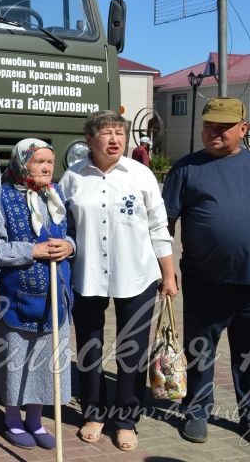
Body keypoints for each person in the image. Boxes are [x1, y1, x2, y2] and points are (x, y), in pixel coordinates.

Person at [161, 97, 250, 448]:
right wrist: (164, 270)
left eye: (223, 127)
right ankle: (196, 412)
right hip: (205, 281)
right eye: (209, 126)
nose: (214, 133)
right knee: (200, 351)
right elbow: (165, 223)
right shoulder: (186, 168)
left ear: (243, 128)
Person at [59, 110, 177, 452]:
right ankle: (93, 413)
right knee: (89, 348)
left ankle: (125, 419)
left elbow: (159, 227)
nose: (115, 139)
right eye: (107, 133)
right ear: (89, 140)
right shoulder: (74, 177)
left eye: (120, 133)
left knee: (132, 350)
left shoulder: (140, 175)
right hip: (88, 275)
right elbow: (62, 224)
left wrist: (168, 274)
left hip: (137, 274)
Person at [0, 138, 75, 451]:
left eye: (50, 162)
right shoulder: (3, 196)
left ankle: (35, 420)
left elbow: (72, 234)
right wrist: (31, 250)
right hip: (18, 296)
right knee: (16, 361)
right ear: (22, 164)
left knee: (46, 362)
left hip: (55, 297)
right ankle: (11, 419)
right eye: (39, 162)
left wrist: (69, 246)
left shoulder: (57, 194)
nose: (47, 167)